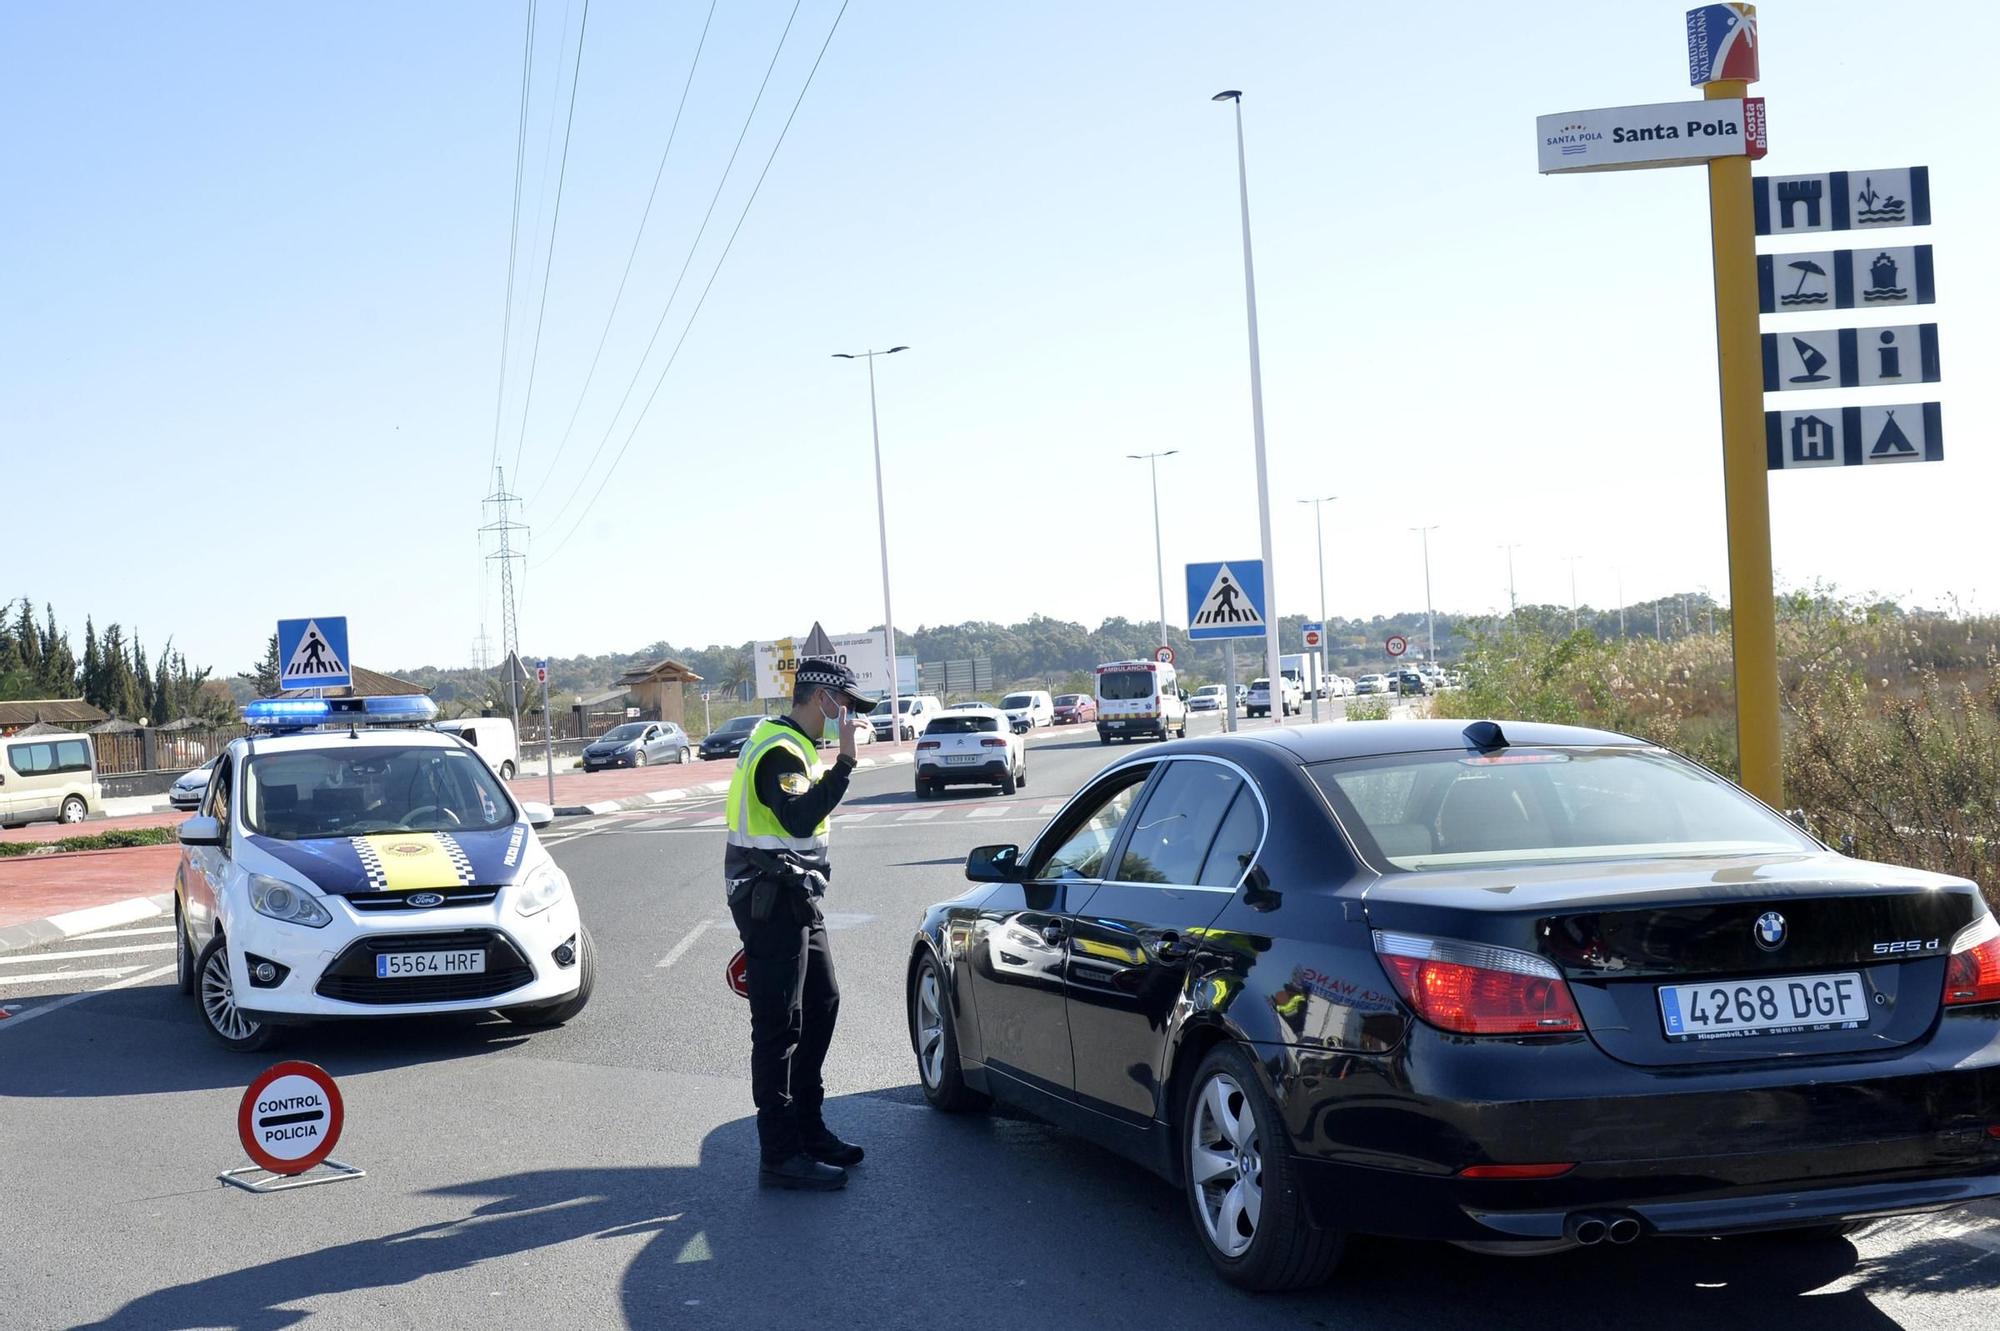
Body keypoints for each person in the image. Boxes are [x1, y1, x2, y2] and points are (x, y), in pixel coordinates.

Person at [722, 659, 873, 1190]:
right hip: (770, 899)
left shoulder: (796, 747)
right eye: (846, 706)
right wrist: (847, 764)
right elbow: (797, 818)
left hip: (795, 894)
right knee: (779, 1027)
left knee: (822, 1003)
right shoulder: (779, 751)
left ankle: (808, 1127)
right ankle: (779, 1152)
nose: (849, 716)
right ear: (821, 700)